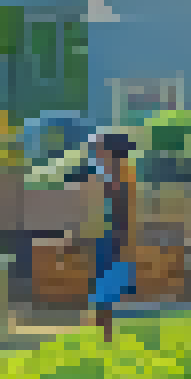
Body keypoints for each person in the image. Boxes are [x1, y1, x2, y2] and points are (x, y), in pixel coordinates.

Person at [83, 131, 138, 340]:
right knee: (102, 289)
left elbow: (121, 207)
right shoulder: (108, 173)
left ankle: (107, 336)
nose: (95, 154)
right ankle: (104, 334)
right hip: (106, 236)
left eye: (99, 149)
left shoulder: (122, 174)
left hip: (117, 238)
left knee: (107, 290)